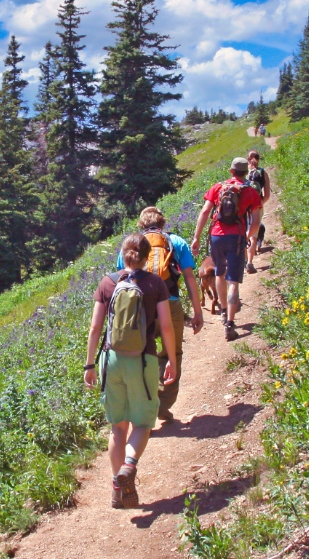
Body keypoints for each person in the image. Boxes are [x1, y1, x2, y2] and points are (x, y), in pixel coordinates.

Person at [84, 233, 178, 509]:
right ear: (148, 257)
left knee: (117, 426)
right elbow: (167, 326)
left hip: (111, 359)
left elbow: (95, 328)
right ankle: (129, 465)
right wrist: (170, 359)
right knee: (144, 422)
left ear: (122, 254)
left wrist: (89, 364)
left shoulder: (108, 283)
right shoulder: (155, 283)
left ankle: (117, 487)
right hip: (143, 359)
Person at [115, 207, 204, 424]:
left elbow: (121, 278)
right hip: (170, 304)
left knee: (141, 353)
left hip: (139, 306)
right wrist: (197, 310)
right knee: (172, 353)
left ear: (141, 224)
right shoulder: (175, 242)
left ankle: (140, 403)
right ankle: (161, 405)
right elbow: (190, 278)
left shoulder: (129, 246)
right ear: (162, 222)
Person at [190, 157, 262, 340]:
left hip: (216, 236)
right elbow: (256, 221)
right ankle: (230, 323)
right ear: (246, 172)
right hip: (236, 236)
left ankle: (223, 312)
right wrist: (246, 236)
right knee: (233, 281)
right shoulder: (251, 191)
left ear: (231, 171)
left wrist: (196, 238)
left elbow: (205, 211)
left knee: (220, 274)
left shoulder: (218, 187)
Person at [243, 150, 271, 274]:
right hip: (257, 207)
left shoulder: (244, 172)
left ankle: (244, 261)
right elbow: (267, 195)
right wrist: (259, 204)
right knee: (253, 234)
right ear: (258, 159)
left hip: (244, 207)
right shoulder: (263, 173)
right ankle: (250, 262)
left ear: (248, 160)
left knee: (243, 232)